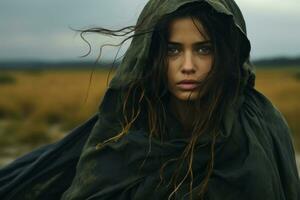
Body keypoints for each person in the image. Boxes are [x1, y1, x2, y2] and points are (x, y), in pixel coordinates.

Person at [1, 0, 299, 199]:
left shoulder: (259, 125)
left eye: (203, 49)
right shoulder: (125, 128)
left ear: (225, 54)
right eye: (173, 50)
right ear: (153, 54)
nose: (187, 65)